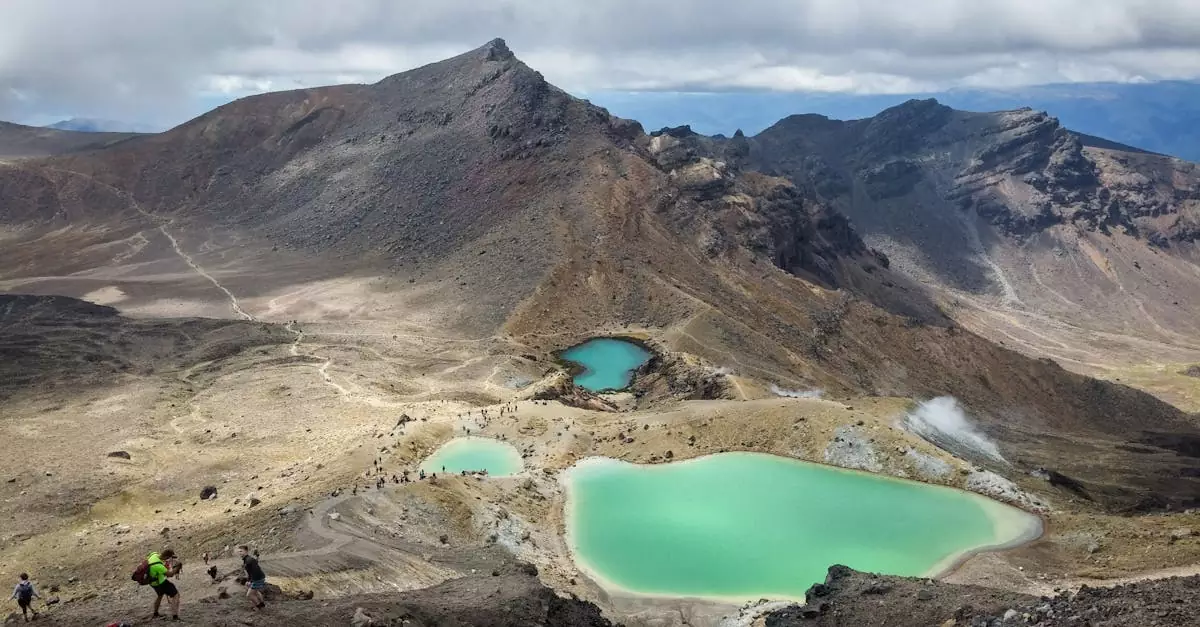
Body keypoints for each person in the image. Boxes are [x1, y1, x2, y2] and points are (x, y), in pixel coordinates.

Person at [146, 549, 181, 621]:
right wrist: (177, 567)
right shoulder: (158, 566)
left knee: (160, 595)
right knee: (176, 595)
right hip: (161, 582)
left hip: (152, 582)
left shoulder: (154, 554)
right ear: (167, 556)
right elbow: (170, 574)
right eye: (169, 557)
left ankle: (155, 614)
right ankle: (175, 616)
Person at [236, 545, 267, 610]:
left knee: (249, 595)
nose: (240, 553)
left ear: (246, 551)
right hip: (260, 577)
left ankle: (259, 607)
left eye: (241, 551)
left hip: (257, 579)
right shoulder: (247, 559)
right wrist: (249, 580)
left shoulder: (248, 560)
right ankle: (262, 604)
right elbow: (251, 571)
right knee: (256, 591)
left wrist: (251, 581)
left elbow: (255, 572)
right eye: (239, 551)